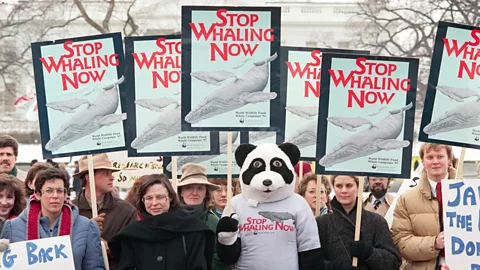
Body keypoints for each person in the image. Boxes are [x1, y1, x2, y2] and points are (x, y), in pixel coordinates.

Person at [0, 168, 104, 269]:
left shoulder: (87, 227)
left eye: (59, 191)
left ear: (65, 194)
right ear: (37, 194)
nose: (55, 196)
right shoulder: (12, 227)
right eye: (49, 191)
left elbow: (94, 266)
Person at [109, 174, 215, 270]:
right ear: (143, 201)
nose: (154, 203)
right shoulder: (131, 235)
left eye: (160, 197)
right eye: (149, 198)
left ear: (170, 198)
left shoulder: (192, 229)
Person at [392, 143, 456, 270]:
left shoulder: (471, 195)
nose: (435, 162)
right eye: (430, 157)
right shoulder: (406, 200)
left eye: (440, 156)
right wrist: (434, 243)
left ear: (449, 159)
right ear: (422, 161)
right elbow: (401, 243)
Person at [316, 175, 401, 270]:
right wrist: (334, 267)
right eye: (339, 186)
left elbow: (393, 262)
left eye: (349, 186)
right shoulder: (322, 223)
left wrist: (369, 253)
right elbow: (311, 261)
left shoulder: (377, 221)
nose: (344, 190)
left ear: (358, 187)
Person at [73, 153, 137, 270]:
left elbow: (135, 251)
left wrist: (111, 249)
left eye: (111, 173)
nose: (112, 177)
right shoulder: (70, 210)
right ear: (88, 177)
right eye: (105, 173)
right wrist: (86, 231)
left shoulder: (126, 210)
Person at [177, 163, 227, 270]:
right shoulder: (170, 220)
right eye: (189, 188)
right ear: (181, 192)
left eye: (200, 188)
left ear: (206, 193)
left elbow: (222, 256)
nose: (194, 193)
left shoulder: (214, 222)